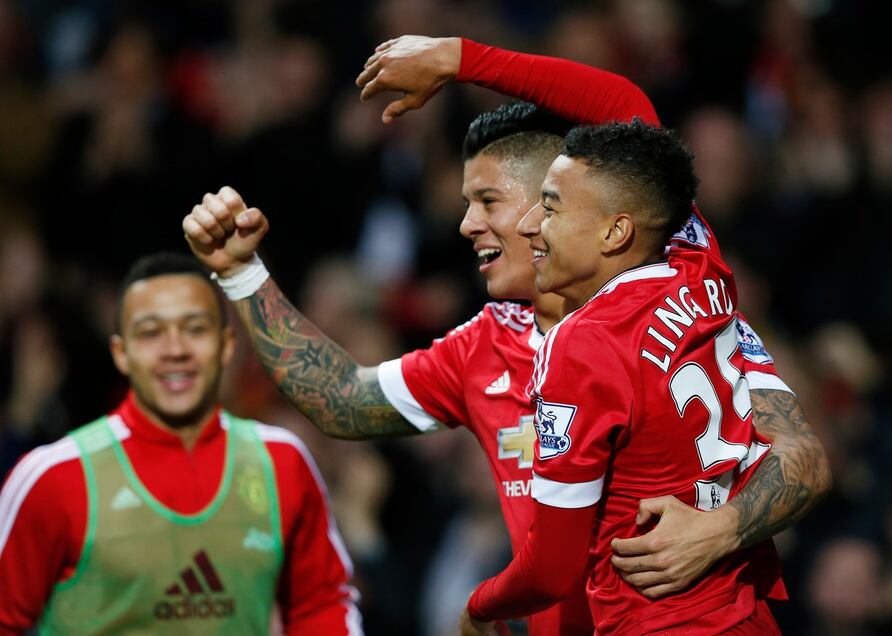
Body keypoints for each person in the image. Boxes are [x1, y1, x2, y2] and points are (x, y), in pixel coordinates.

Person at [183, 37, 828, 634]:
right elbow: (343, 400)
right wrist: (243, 276)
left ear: (567, 201)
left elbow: (623, 109)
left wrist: (459, 58)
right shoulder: (483, 345)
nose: (467, 225)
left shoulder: (671, 255)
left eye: (489, 201)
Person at [462, 120, 791, 635]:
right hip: (748, 613)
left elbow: (550, 570)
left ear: (615, 231)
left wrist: (480, 606)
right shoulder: (704, 273)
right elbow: (638, 136)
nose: (531, 228)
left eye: (549, 208)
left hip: (659, 622)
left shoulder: (581, 345)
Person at [0, 253, 361, 635]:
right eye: (151, 332)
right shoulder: (53, 477)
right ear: (121, 353)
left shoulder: (281, 463)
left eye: (195, 328)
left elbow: (321, 605)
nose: (175, 349)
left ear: (227, 345)